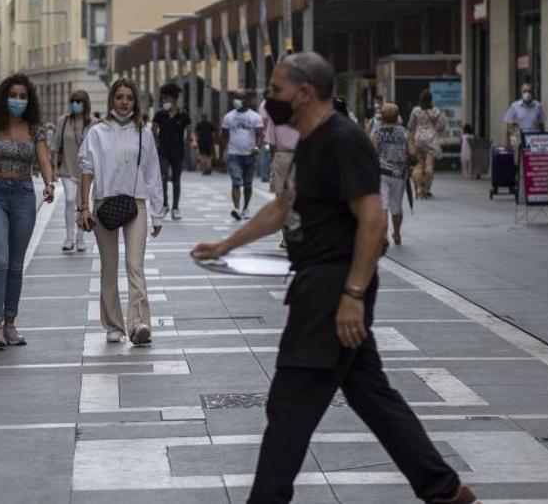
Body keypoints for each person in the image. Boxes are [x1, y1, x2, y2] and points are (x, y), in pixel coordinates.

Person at [191, 54, 478, 504]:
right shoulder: (311, 140)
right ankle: (443, 490)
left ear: (303, 93)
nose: (269, 99)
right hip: (323, 284)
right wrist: (227, 245)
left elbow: (373, 221)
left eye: (276, 90)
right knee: (371, 395)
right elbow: (285, 206)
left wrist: (353, 294)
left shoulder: (342, 140)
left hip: (331, 290)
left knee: (290, 406)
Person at [0, 74, 56, 350]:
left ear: (28, 100)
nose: (17, 100)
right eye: (13, 95)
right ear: (3, 97)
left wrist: (49, 182)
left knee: (16, 265)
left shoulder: (35, 129)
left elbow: (44, 159)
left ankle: (10, 324)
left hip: (23, 195)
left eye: (22, 96)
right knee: (0, 260)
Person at [79, 78, 164, 346]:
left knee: (135, 265)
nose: (124, 102)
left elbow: (153, 174)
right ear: (112, 100)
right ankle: (113, 324)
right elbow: (87, 170)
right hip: (104, 203)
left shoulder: (144, 132)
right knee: (108, 266)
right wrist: (84, 207)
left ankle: (139, 323)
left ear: (135, 101)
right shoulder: (97, 131)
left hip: (135, 204)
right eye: (119, 97)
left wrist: (158, 212)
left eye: (129, 97)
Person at [56, 90, 93, 252]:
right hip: (66, 168)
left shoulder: (94, 123)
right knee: (70, 199)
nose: (75, 104)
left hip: (85, 171)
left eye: (79, 101)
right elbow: (55, 145)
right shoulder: (63, 121)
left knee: (81, 203)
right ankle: (69, 237)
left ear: (85, 104)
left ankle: (80, 238)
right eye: (73, 101)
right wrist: (52, 167)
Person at [259, 94, 301, 237]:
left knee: (281, 197)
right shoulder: (304, 113)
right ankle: (295, 230)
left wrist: (274, 158)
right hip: (301, 155)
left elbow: (271, 143)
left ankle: (286, 235)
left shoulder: (276, 117)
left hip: (282, 155)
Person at [152, 82, 193, 220]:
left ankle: (176, 207)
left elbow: (190, 131)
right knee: (162, 177)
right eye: (163, 99)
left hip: (178, 151)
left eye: (166, 99)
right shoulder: (159, 114)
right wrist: (153, 144)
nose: (164, 101)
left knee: (176, 179)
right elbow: (154, 131)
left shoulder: (183, 115)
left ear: (174, 99)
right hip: (163, 151)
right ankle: (165, 205)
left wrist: (193, 142)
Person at [221, 93, 264, 220]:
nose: (237, 101)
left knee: (248, 184)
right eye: (236, 98)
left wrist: (257, 146)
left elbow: (260, 134)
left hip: (249, 155)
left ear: (247, 100)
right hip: (234, 155)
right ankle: (236, 208)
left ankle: (245, 208)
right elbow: (224, 136)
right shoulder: (228, 117)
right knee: (236, 182)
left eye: (240, 98)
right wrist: (222, 154)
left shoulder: (255, 117)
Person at [372, 103, 410, 246]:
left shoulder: (377, 132)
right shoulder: (404, 132)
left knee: (383, 205)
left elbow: (372, 151)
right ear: (397, 116)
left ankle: (384, 236)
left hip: (382, 172)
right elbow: (411, 152)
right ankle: (397, 234)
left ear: (383, 117)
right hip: (399, 174)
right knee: (397, 205)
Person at [407, 90, 444, 199]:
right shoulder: (436, 111)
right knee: (429, 165)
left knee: (420, 164)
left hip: (419, 139)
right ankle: (426, 189)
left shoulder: (416, 110)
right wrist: (434, 130)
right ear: (431, 100)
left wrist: (412, 137)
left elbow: (410, 125)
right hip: (431, 140)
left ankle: (418, 185)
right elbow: (441, 125)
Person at [503, 82, 546, 148]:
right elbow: (509, 126)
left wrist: (544, 142)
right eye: (524, 91)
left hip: (535, 142)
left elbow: (542, 126)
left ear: (532, 93)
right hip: (520, 142)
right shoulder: (515, 106)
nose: (527, 93)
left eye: (529, 91)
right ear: (521, 93)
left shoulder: (538, 106)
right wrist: (508, 144)